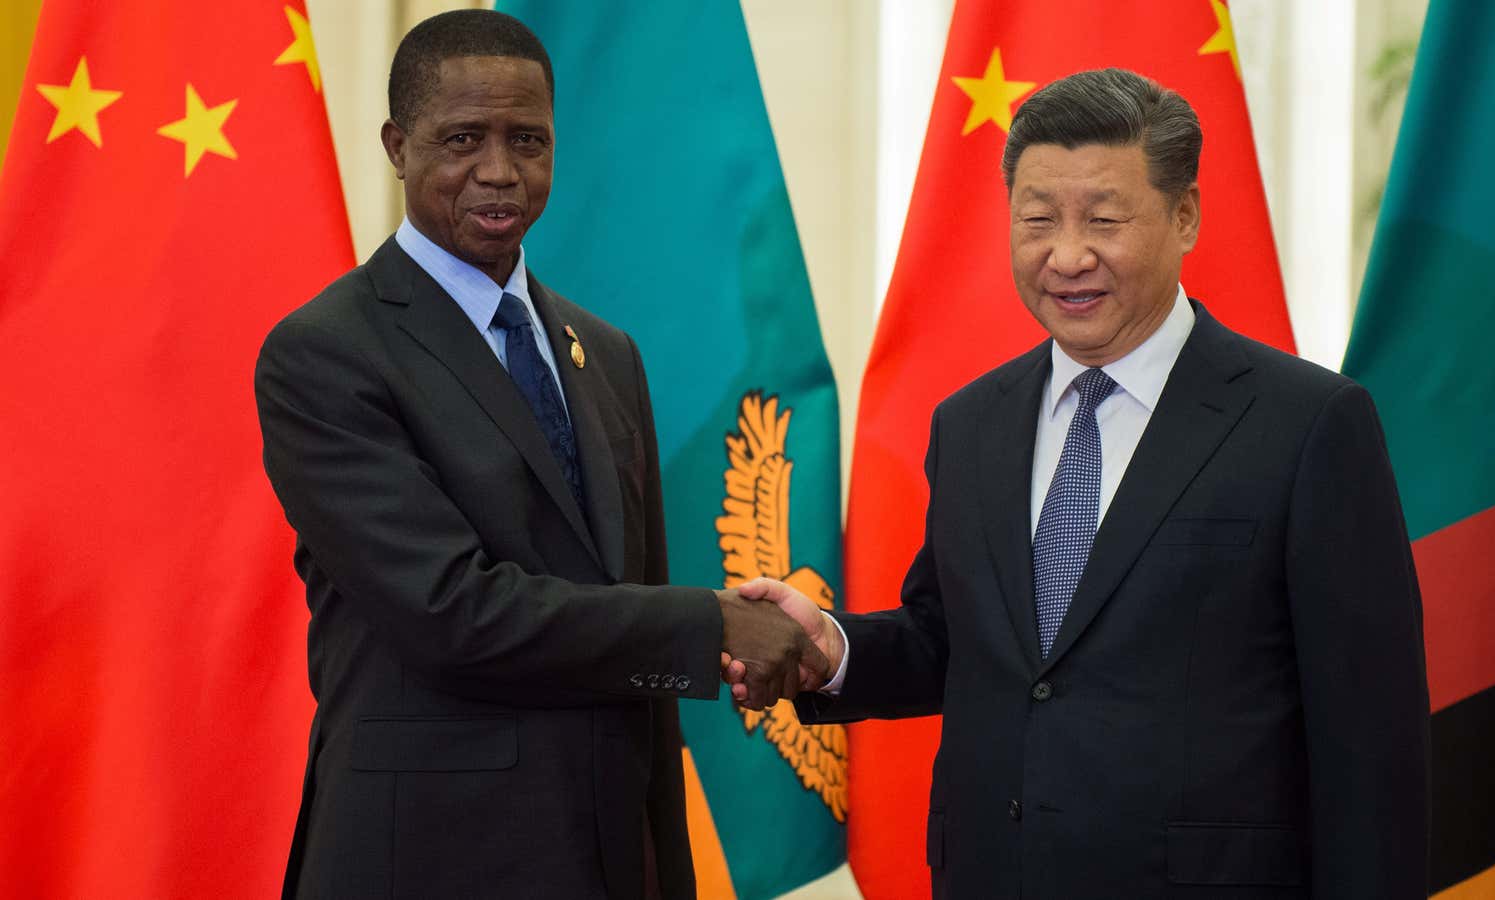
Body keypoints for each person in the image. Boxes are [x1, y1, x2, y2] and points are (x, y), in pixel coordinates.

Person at [733, 68, 1429, 898]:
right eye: (1037, 221)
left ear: (1186, 216)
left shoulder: (1309, 423)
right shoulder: (971, 423)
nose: (1066, 256)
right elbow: (957, 643)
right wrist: (833, 651)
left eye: (1104, 219)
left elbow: (1370, 740)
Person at [254, 10, 820, 899]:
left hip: (601, 851)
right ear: (398, 146)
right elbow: (452, 613)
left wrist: (664, 867)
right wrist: (710, 625)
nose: (500, 171)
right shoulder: (326, 353)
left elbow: (630, 620)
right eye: (463, 139)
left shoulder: (607, 351)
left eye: (528, 140)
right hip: (427, 859)